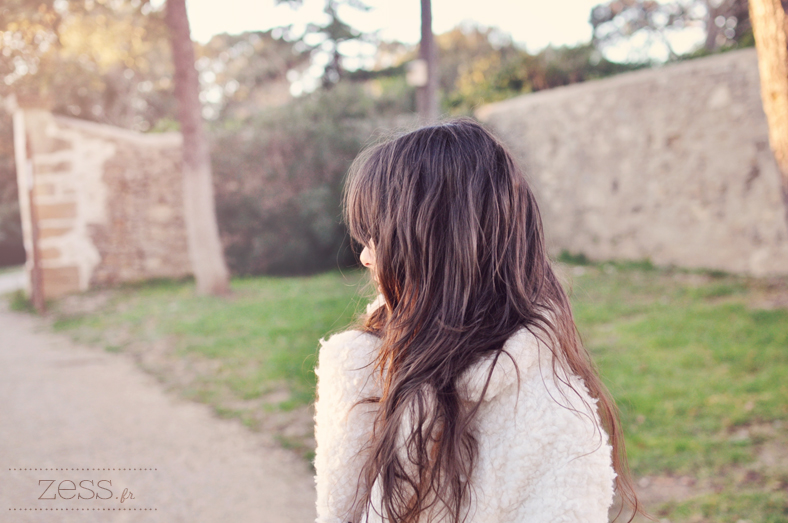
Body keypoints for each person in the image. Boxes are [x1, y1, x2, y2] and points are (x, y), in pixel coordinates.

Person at [313, 119, 640, 523]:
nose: (365, 257)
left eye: (377, 238)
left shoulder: (555, 420)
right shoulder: (362, 366)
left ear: (432, 250)